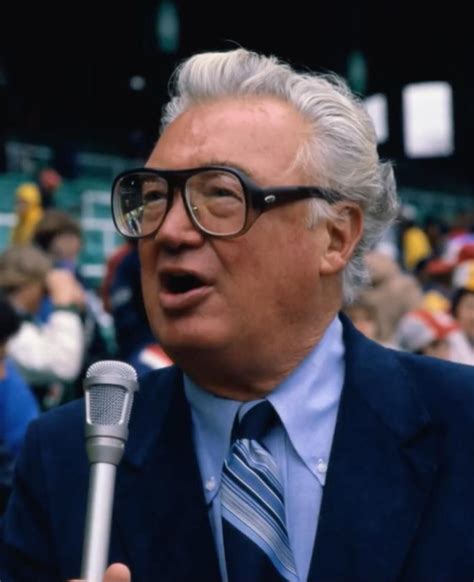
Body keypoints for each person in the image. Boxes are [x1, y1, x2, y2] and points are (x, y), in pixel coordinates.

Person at [1, 48, 474, 582]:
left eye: (222, 194)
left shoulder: (462, 424)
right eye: (152, 196)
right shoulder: (67, 460)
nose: (170, 231)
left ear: (336, 237)